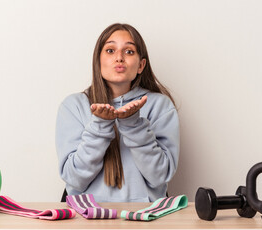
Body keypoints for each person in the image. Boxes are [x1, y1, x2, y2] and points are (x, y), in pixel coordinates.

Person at [55, 23, 180, 202]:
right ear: (98, 61)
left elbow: (160, 175)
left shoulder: (160, 105)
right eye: (110, 50)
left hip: (145, 217)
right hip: (86, 217)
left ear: (141, 65)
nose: (119, 57)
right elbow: (73, 178)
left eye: (129, 51)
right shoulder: (73, 106)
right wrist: (100, 125)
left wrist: (133, 124)